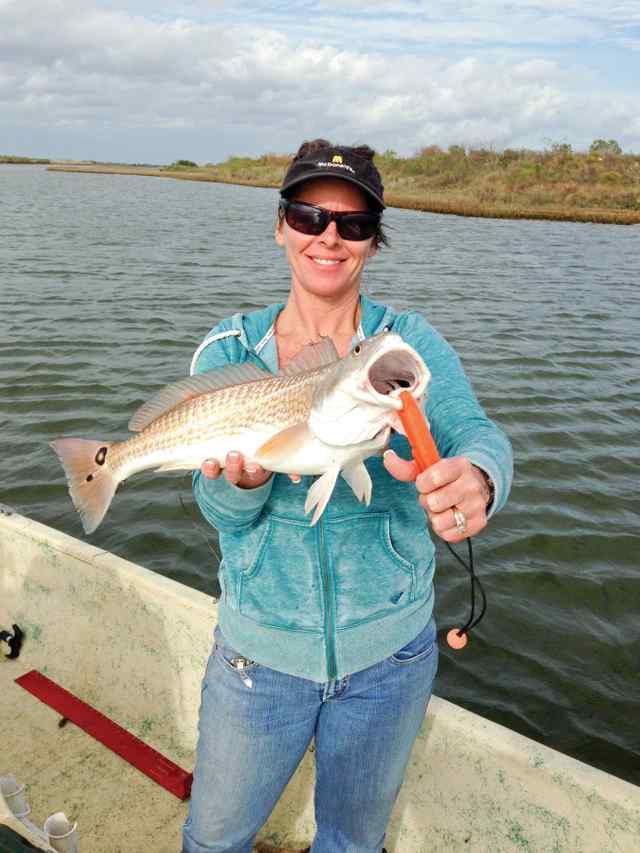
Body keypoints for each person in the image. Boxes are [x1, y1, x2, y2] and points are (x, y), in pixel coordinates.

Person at [182, 140, 513, 853]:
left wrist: (479, 477)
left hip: (391, 658)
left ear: (373, 242)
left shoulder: (407, 344)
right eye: (308, 215)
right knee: (212, 838)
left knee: (353, 843)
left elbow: (477, 434)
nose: (328, 236)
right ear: (281, 226)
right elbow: (218, 514)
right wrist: (240, 489)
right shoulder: (229, 351)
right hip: (257, 660)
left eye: (354, 224)